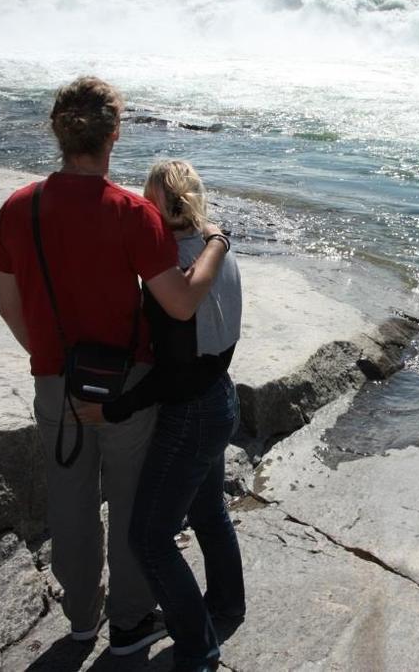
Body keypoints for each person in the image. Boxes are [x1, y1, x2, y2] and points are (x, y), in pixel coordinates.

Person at [0, 78, 229, 656]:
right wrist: (217, 242)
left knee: (68, 506)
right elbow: (179, 302)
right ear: (114, 134)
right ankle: (129, 624)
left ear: (57, 130)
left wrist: (47, 361)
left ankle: (79, 619)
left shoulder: (21, 206)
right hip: (128, 385)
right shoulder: (131, 212)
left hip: (56, 383)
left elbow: (7, 302)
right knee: (130, 509)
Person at [106, 160, 245, 672]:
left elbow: (174, 373)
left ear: (163, 207)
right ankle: (228, 606)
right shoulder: (214, 251)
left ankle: (197, 648)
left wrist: (117, 406)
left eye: (145, 200)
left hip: (191, 411)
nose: (139, 207)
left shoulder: (174, 271)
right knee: (209, 513)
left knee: (148, 537)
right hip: (221, 396)